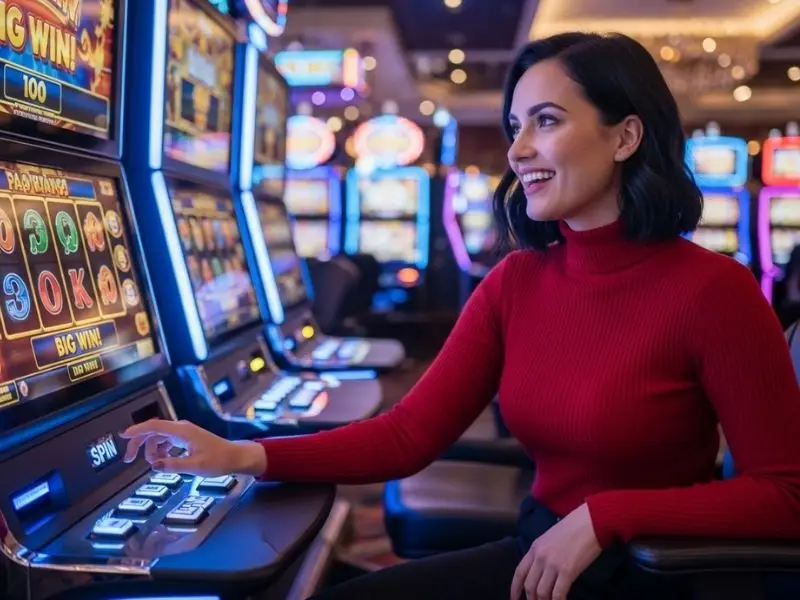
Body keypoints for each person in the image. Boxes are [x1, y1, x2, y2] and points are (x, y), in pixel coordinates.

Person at [121, 32, 800, 600]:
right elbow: (408, 435)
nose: (518, 150)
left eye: (547, 121)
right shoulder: (516, 283)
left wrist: (609, 515)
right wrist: (244, 454)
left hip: (654, 571)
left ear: (624, 137)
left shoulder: (715, 290)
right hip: (541, 556)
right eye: (515, 126)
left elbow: (787, 494)